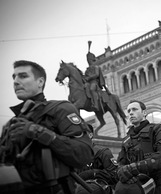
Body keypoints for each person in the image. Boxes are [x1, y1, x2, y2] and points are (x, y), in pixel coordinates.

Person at [0, 60, 94, 194]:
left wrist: (42, 134)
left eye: (23, 76)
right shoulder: (12, 124)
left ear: (40, 82)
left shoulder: (60, 109)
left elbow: (84, 154)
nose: (15, 81)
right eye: (13, 77)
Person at [116, 100, 161, 194]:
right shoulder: (126, 140)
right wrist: (124, 173)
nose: (131, 113)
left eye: (134, 109)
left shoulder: (158, 129)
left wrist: (133, 168)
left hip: (160, 187)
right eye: (129, 111)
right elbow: (120, 164)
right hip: (138, 187)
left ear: (144, 112)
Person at [76, 124, 118, 194]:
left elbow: (115, 176)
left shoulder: (103, 153)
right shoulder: (75, 156)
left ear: (90, 135)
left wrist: (94, 173)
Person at [84, 41, 111, 112]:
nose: (88, 61)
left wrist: (89, 77)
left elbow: (96, 74)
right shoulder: (87, 69)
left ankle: (96, 104)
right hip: (89, 83)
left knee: (92, 89)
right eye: (87, 59)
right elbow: (85, 76)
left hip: (95, 83)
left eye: (89, 59)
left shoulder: (96, 67)